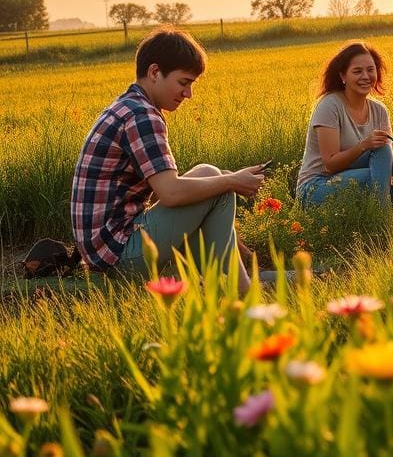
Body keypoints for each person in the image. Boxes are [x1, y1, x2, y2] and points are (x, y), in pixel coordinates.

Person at [71, 28, 265, 293]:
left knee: (210, 176)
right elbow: (171, 193)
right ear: (154, 72)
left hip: (107, 251)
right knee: (219, 185)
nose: (188, 94)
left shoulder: (129, 105)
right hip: (119, 257)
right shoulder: (141, 116)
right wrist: (232, 180)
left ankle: (225, 282)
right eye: (183, 82)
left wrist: (226, 179)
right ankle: (242, 292)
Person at [296, 41, 393, 209]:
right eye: (357, 71)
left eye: (370, 70)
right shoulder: (330, 106)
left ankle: (383, 213)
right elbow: (330, 165)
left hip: (350, 178)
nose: (366, 76)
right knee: (378, 180)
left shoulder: (379, 110)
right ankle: (384, 218)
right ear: (343, 76)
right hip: (316, 187)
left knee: (382, 151)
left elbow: (382, 165)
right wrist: (364, 145)